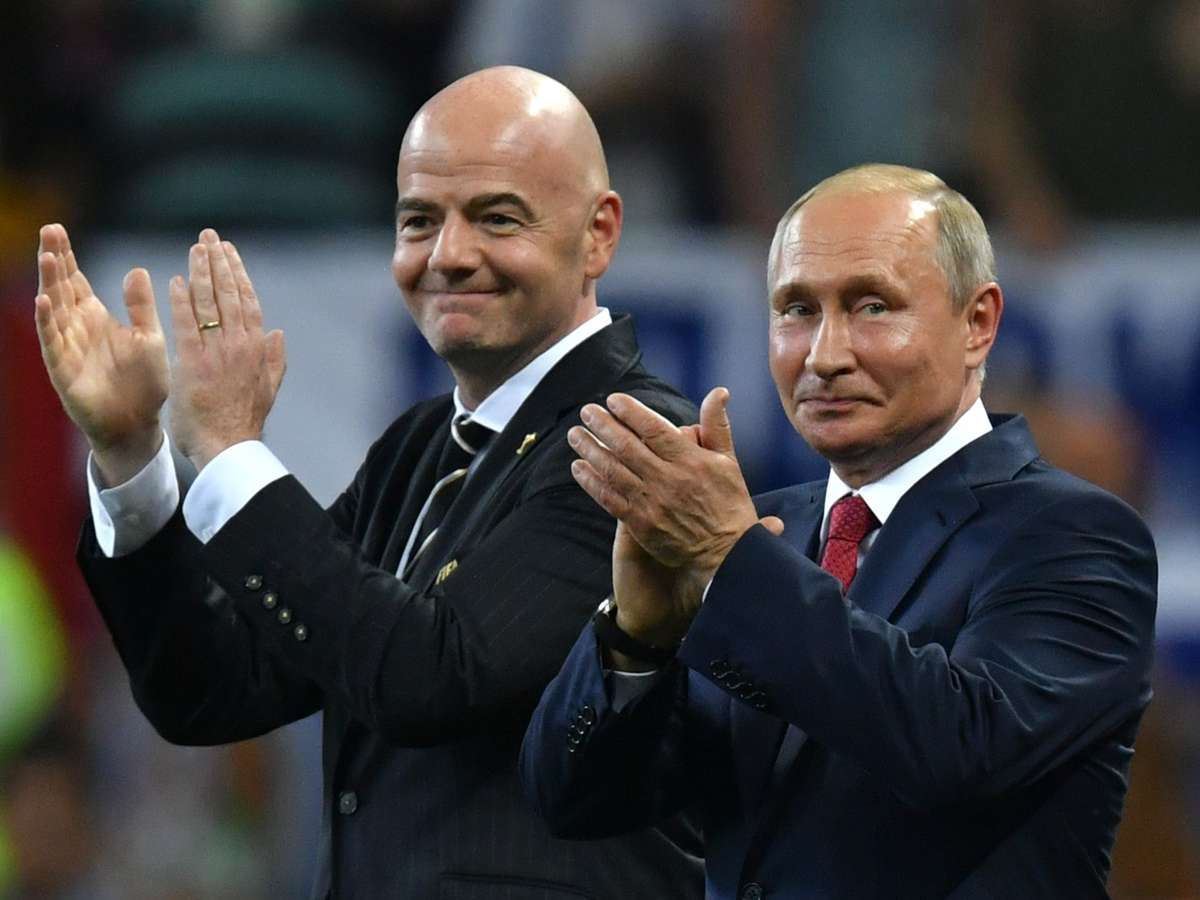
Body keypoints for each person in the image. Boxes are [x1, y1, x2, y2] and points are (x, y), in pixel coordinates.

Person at [33, 66, 702, 899]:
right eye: (419, 221)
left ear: (598, 233)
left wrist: (233, 452)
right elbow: (211, 691)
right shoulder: (417, 450)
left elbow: (431, 678)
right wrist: (132, 453)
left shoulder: (635, 441)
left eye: (496, 217)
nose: (448, 255)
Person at [521, 164, 1157, 899]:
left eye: (872, 306)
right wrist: (636, 639)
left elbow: (959, 750)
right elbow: (569, 800)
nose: (825, 356)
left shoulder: (1076, 537)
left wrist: (730, 560)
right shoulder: (764, 538)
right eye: (797, 310)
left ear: (978, 322)